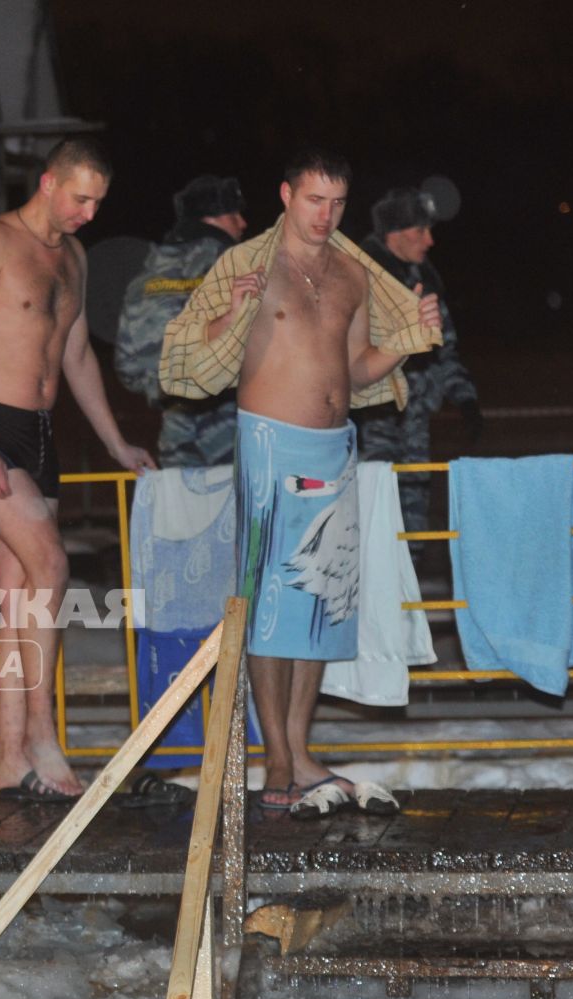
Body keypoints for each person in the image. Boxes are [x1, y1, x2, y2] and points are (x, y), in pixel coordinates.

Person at [159, 150, 440, 818]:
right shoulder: (246, 266)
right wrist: (232, 317)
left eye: (338, 203)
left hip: (335, 447)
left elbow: (357, 367)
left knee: (322, 602)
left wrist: (409, 342)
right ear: (286, 194)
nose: (326, 215)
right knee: (267, 607)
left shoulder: (351, 272)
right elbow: (187, 357)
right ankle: (276, 761)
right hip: (269, 445)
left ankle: (300, 749)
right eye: (315, 200)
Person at [0, 135, 156, 801]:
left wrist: (116, 442)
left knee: (20, 601)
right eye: (81, 198)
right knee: (52, 566)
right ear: (48, 183)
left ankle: (7, 762)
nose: (90, 212)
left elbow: (79, 356)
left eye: (98, 202)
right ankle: (42, 735)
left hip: (37, 434)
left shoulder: (76, 257)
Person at [356, 185, 482, 534]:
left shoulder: (423, 277)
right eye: (420, 231)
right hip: (373, 421)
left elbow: (445, 348)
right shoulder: (358, 277)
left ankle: (408, 584)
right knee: (374, 510)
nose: (430, 242)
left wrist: (464, 397)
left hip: (414, 420)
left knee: (412, 518)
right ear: (394, 235)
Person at [114, 174, 249, 467]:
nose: (242, 223)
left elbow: (128, 369)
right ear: (212, 220)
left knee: (186, 511)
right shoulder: (235, 268)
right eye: (234, 214)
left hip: (176, 434)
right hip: (237, 433)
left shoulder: (145, 278)